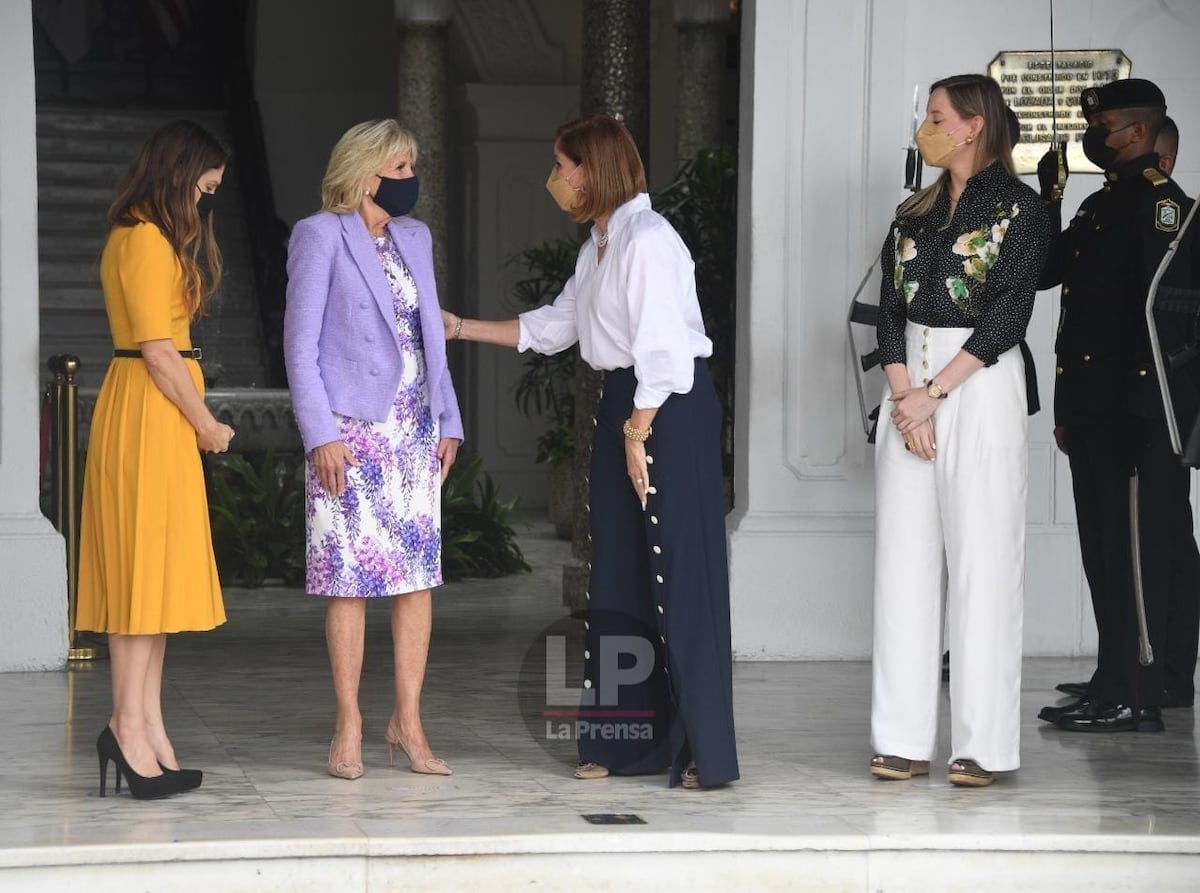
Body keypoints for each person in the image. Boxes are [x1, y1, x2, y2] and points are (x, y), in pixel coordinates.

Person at [443, 114, 738, 790]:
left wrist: (639, 433)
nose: (557, 177)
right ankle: (625, 739)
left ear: (594, 168)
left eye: (563, 164)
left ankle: (702, 750)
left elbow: (665, 351)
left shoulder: (650, 240)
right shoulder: (598, 246)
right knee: (619, 574)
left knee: (679, 571)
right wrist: (459, 326)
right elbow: (555, 326)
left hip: (667, 409)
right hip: (623, 405)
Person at [871, 74, 1050, 788]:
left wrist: (934, 394)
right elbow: (887, 307)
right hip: (908, 384)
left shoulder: (1021, 208)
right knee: (902, 565)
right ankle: (901, 736)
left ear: (975, 125)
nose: (928, 125)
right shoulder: (912, 211)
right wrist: (904, 397)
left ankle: (982, 744)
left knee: (982, 565)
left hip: (977, 382)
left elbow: (1010, 314)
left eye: (939, 116)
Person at [284, 119, 463, 780]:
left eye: (413, 166)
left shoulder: (416, 236)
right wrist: (319, 434)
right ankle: (349, 724)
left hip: (414, 433)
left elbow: (427, 340)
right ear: (365, 175)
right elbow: (299, 348)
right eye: (401, 169)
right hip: (351, 434)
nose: (411, 180)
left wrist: (450, 416)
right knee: (350, 580)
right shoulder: (319, 235)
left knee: (417, 582)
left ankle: (407, 721)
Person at [77, 120, 235, 800]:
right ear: (177, 175)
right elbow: (157, 349)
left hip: (154, 415)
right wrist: (204, 420)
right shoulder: (143, 239)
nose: (203, 204)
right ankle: (126, 725)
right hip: (151, 411)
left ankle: (147, 725)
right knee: (141, 581)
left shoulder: (144, 235)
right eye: (202, 189)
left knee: (156, 585)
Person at [1036, 79, 1199, 733]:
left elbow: (1163, 316)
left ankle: (1138, 689)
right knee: (1111, 548)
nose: (1093, 134)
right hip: (1098, 408)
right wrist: (1049, 199)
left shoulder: (1160, 206)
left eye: (1101, 124)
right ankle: (1130, 674)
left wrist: (1145, 410)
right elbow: (1051, 274)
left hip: (1138, 411)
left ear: (1136, 131)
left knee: (1139, 551)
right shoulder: (1101, 206)